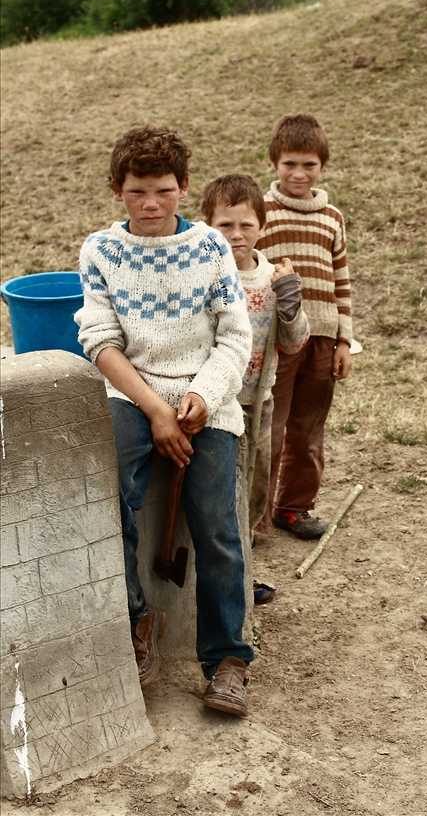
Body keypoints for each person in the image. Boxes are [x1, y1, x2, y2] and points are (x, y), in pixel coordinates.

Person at [75, 125, 254, 718]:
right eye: (137, 192)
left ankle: (227, 660)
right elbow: (100, 342)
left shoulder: (210, 248)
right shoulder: (101, 251)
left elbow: (235, 337)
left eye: (163, 191)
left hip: (207, 397)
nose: (150, 204)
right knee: (108, 498)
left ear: (183, 187)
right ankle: (137, 619)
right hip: (132, 394)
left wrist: (201, 396)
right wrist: (156, 410)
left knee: (217, 525)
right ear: (116, 190)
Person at [201, 174, 310, 601]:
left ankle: (242, 575)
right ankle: (210, 579)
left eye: (246, 225)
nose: (236, 235)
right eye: (225, 225)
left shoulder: (271, 280)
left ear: (262, 226)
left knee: (253, 490)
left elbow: (295, 343)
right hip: (213, 404)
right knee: (216, 492)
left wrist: (289, 296)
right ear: (207, 226)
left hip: (256, 403)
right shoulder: (203, 275)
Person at [256, 113, 353, 540]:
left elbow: (342, 281)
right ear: (274, 162)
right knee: (269, 430)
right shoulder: (261, 211)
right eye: (289, 164)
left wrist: (344, 340)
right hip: (277, 338)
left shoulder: (332, 217)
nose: (299, 173)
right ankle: (256, 516)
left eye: (309, 165)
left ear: (322, 165)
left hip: (323, 338)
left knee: (308, 431)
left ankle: (294, 507)